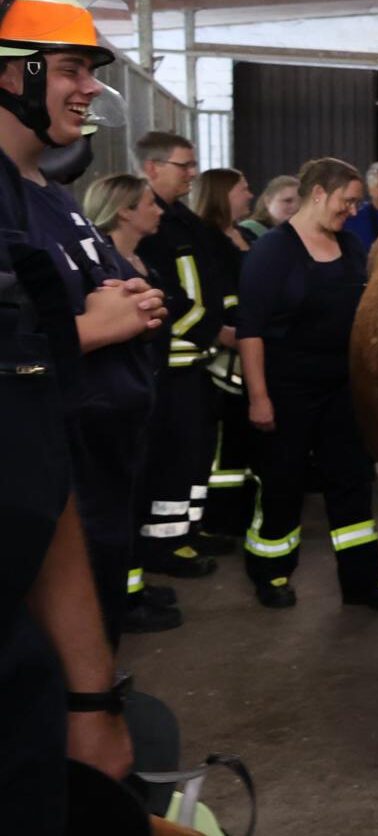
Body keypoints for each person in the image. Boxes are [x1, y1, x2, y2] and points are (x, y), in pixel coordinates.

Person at [0, 0, 140, 831]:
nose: (90, 87)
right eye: (69, 67)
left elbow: (30, 453)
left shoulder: (31, 197)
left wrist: (90, 695)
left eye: (93, 69)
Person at [238, 156, 378, 613]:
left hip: (342, 388)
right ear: (319, 194)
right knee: (282, 483)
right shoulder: (272, 252)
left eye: (356, 204)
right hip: (285, 388)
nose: (353, 211)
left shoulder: (351, 248)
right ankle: (270, 571)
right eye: (347, 202)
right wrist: (258, 397)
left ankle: (363, 581)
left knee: (352, 481)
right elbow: (249, 329)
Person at [84, 173, 184, 632]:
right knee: (116, 504)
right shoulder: (103, 264)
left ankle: (134, 584)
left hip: (145, 389)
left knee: (137, 496)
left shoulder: (137, 259)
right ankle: (123, 599)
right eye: (150, 203)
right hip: (114, 397)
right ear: (124, 210)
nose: (159, 210)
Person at [135, 130, 232, 574]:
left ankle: (189, 530)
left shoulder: (183, 221)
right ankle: (163, 546)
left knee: (195, 454)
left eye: (194, 166)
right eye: (184, 165)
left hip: (195, 361)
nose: (192, 174)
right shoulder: (148, 225)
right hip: (170, 365)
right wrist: (203, 332)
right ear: (153, 168)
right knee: (172, 459)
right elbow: (164, 297)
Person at [193, 168, 259, 544]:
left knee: (245, 439)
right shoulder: (205, 238)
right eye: (243, 188)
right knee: (223, 446)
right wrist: (222, 332)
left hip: (250, 348)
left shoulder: (247, 234)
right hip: (221, 355)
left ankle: (242, 511)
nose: (250, 194)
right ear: (221, 194)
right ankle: (219, 518)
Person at [239, 174, 298, 239]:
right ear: (268, 201)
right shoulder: (248, 229)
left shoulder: (298, 233)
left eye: (301, 202)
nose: (296, 206)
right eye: (287, 201)